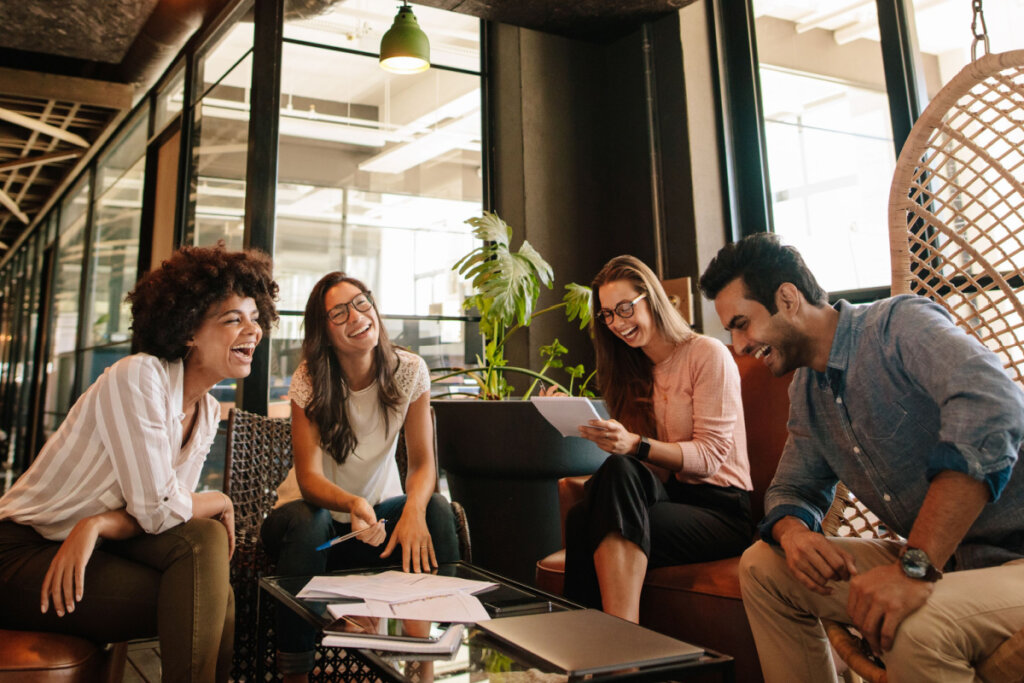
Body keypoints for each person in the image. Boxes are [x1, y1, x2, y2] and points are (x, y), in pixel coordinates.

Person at [698, 232, 1024, 683]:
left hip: (1012, 560)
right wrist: (793, 534)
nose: (739, 346)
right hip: (950, 564)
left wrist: (914, 568)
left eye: (742, 323)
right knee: (762, 566)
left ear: (787, 298)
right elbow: (792, 489)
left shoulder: (897, 326)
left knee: (915, 627)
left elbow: (993, 404)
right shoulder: (808, 391)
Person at [0, 244, 279, 682]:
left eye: (255, 317)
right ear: (188, 330)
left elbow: (166, 520)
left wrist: (96, 525)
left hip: (91, 545)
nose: (253, 330)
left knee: (203, 552)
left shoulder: (205, 410)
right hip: (19, 554)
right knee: (206, 597)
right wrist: (220, 499)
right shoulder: (139, 375)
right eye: (234, 319)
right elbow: (161, 508)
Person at [260, 271, 459, 681]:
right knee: (309, 518)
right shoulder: (310, 380)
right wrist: (352, 503)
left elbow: (422, 464)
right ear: (324, 332)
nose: (357, 315)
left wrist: (415, 511)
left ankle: (424, 662)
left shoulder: (409, 371)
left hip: (366, 531)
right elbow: (309, 479)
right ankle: (294, 672)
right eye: (339, 312)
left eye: (361, 302)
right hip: (307, 534)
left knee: (435, 510)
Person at [560, 255, 753, 622]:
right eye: (607, 315)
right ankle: (590, 654)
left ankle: (621, 645)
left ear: (651, 298)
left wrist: (634, 444)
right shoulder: (631, 371)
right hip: (670, 499)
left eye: (624, 309)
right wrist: (596, 428)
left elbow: (710, 457)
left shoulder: (707, 354)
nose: (617, 323)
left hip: (722, 512)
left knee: (595, 510)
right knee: (592, 505)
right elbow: (652, 473)